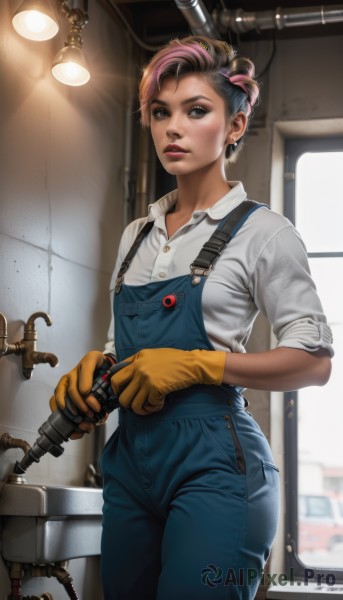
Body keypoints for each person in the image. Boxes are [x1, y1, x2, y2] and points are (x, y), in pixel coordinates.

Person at [50, 35, 333, 599]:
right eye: (161, 113)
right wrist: (94, 377)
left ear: (234, 125)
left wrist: (200, 365)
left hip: (218, 468)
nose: (172, 128)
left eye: (196, 110)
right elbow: (119, 345)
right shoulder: (137, 236)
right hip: (129, 464)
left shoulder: (264, 232)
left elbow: (314, 360)